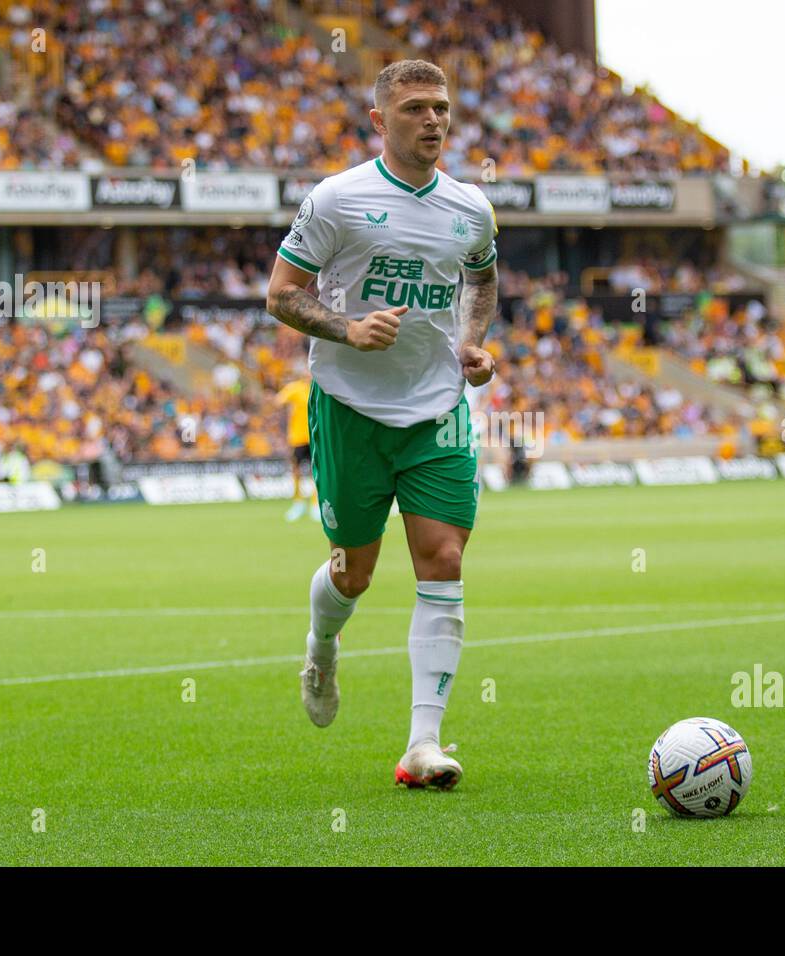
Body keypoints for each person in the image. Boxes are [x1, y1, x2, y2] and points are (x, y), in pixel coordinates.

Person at [266, 60, 499, 791]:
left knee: (444, 559)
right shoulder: (337, 199)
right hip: (349, 410)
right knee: (353, 572)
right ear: (380, 121)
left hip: (436, 411)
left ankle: (423, 746)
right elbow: (281, 294)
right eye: (416, 109)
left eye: (442, 107)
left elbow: (483, 277)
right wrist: (346, 328)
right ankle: (322, 647)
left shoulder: (471, 209)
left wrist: (471, 342)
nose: (434, 121)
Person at [275, 370, 316, 521]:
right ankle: (298, 503)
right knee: (296, 470)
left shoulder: (318, 388)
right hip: (297, 437)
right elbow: (278, 401)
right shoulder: (294, 388)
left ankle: (315, 503)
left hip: (314, 436)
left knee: (315, 472)